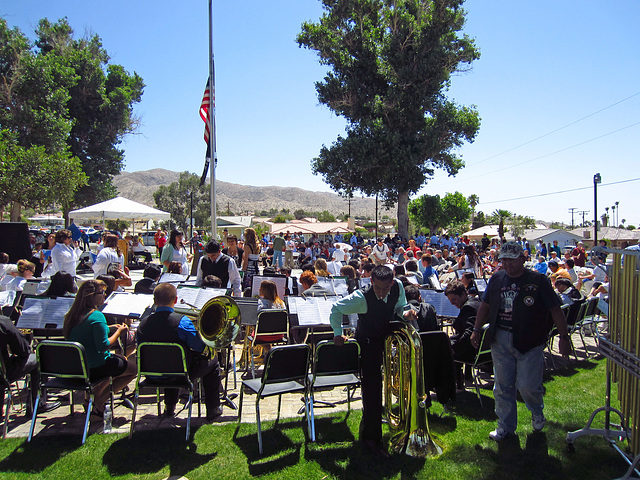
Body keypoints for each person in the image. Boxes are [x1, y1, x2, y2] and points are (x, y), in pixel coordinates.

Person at [470, 242, 570, 441]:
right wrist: (476, 330)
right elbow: (486, 305)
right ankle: (505, 427)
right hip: (501, 338)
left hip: (530, 339)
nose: (507, 263)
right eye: (504, 259)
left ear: (523, 259)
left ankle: (536, 411)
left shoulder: (538, 280)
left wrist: (564, 337)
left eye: (511, 259)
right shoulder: (497, 278)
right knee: (502, 386)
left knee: (527, 385)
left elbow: (555, 309)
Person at [329, 265, 418, 458]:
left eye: (385, 288)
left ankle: (378, 427)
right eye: (377, 288)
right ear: (371, 282)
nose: (381, 292)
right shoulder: (361, 298)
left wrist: (407, 313)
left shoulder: (398, 287)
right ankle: (371, 439)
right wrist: (338, 333)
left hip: (386, 339)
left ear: (392, 283)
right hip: (368, 342)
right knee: (373, 390)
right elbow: (336, 308)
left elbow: (400, 307)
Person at [136, 283, 223, 421]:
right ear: (176, 300)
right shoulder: (182, 322)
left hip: (151, 375)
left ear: (154, 301)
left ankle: (169, 407)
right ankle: (213, 408)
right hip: (179, 374)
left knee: (169, 360)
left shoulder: (143, 323)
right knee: (213, 362)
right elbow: (200, 347)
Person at [63, 280, 137, 416]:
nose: (105, 295)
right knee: (132, 369)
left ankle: (92, 398)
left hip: (77, 366)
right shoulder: (97, 316)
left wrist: (108, 328)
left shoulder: (72, 316)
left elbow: (86, 331)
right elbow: (104, 346)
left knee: (120, 360)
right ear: (91, 296)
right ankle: (99, 401)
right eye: (102, 293)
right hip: (95, 365)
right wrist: (118, 332)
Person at [0, 315, 60, 419]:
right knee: (36, 359)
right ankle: (36, 405)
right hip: (3, 375)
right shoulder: (2, 322)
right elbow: (23, 350)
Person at [444, 281, 480, 364]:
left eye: (454, 299)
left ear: (463, 294)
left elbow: (468, 334)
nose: (452, 303)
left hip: (472, 351)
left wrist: (453, 348)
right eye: (450, 301)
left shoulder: (468, 308)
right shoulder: (476, 301)